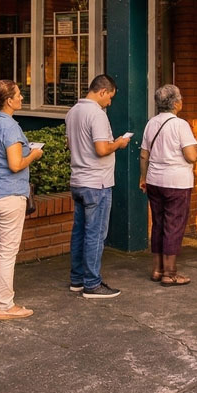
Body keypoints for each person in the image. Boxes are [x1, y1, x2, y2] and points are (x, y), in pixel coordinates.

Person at [0, 79, 43, 319]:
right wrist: (33, 155)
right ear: (9, 100)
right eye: (19, 95)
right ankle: (5, 306)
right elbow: (16, 165)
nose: (22, 98)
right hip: (9, 195)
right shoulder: (10, 127)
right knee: (6, 252)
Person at [66, 74, 132, 298]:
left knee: (79, 232)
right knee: (95, 234)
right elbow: (102, 149)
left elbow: (71, 145)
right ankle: (92, 284)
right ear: (102, 91)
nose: (110, 103)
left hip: (78, 179)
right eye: (110, 97)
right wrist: (120, 143)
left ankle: (77, 279)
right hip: (97, 182)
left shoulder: (73, 112)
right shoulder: (97, 114)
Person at [140, 85, 197, 286]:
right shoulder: (180, 125)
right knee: (173, 226)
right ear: (175, 103)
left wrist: (143, 177)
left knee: (158, 224)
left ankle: (157, 269)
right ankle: (170, 273)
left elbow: (143, 154)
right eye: (180, 99)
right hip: (176, 182)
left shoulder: (151, 123)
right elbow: (191, 156)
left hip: (154, 180)